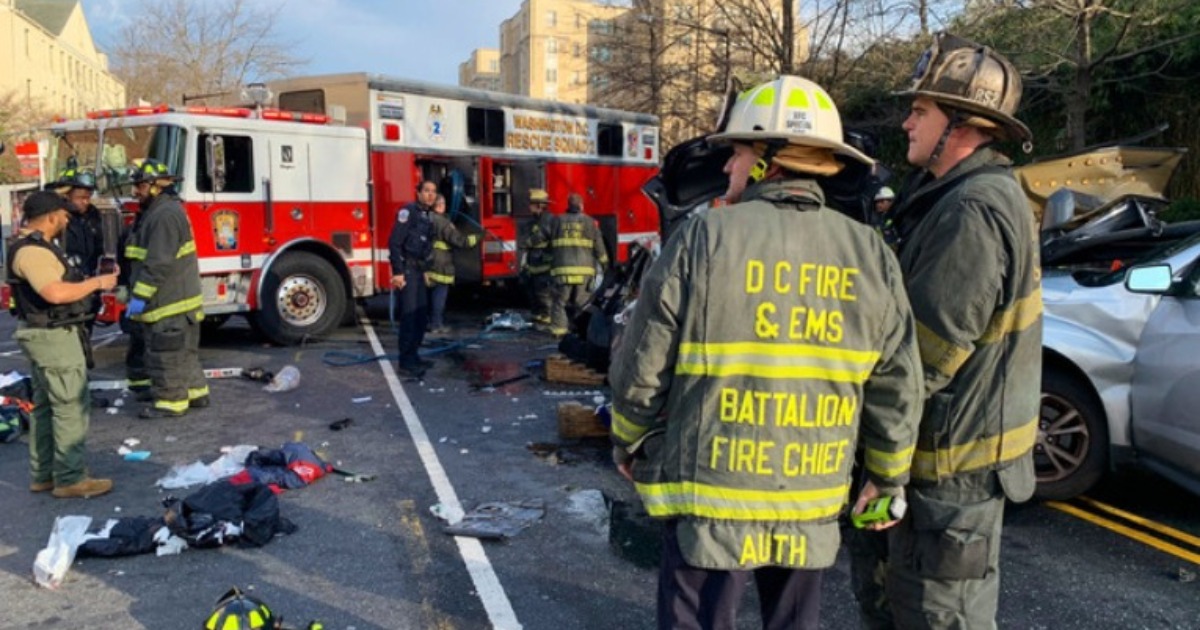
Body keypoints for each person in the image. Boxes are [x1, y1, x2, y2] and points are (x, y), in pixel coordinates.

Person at [609, 75, 924, 630]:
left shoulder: (704, 237)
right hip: (811, 496)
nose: (728, 167)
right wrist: (887, 477)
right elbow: (897, 382)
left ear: (766, 163)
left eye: (737, 154)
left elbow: (643, 363)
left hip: (710, 500)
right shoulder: (871, 253)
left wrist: (628, 438)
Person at [849, 32, 1042, 630]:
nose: (907, 121)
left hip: (947, 482)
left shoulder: (971, 212)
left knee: (937, 618)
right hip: (940, 472)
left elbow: (922, 362)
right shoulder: (954, 197)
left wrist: (881, 469)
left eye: (920, 110)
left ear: (961, 123)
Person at [6, 191, 119, 498]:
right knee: (70, 405)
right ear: (52, 216)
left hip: (44, 333)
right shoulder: (34, 252)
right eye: (65, 216)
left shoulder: (32, 247)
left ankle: (44, 474)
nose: (68, 221)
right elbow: (55, 293)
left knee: (44, 406)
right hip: (53, 336)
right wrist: (98, 283)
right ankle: (70, 478)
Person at [124, 159, 209, 419]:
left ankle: (170, 402)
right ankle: (195, 393)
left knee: (165, 354)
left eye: (139, 186)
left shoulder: (164, 216)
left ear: (154, 187)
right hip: (178, 300)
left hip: (168, 303)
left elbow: (157, 263)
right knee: (183, 353)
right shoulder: (161, 212)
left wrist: (139, 297)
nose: (135, 192)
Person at [389, 180, 437, 378]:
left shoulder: (427, 216)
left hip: (419, 271)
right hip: (407, 271)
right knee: (409, 317)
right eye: (426, 191)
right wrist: (398, 272)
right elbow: (394, 243)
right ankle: (406, 363)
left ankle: (414, 356)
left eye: (433, 192)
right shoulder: (408, 212)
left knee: (420, 315)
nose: (430, 195)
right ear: (418, 193)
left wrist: (425, 270)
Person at [548, 193, 607, 337]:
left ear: (568, 205)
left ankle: (559, 333)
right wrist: (604, 265)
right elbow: (599, 247)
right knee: (582, 303)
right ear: (581, 206)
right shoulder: (589, 222)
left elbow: (549, 244)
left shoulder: (557, 221)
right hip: (584, 272)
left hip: (562, 271)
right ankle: (583, 332)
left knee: (560, 303)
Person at [426, 194, 479, 333]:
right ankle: (437, 325)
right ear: (440, 205)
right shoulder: (443, 223)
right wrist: (477, 237)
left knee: (428, 295)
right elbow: (459, 241)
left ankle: (428, 322)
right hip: (441, 263)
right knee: (439, 295)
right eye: (443, 203)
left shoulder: (426, 218)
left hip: (428, 261)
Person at [519, 188, 557, 330]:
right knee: (533, 290)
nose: (529, 207)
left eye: (532, 204)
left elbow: (542, 236)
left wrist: (529, 242)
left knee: (543, 291)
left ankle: (547, 318)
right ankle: (537, 316)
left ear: (540, 205)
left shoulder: (548, 220)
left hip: (544, 262)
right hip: (534, 262)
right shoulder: (536, 220)